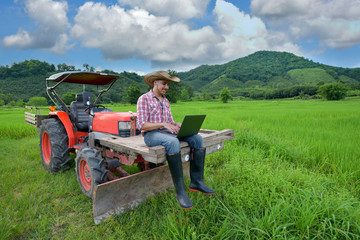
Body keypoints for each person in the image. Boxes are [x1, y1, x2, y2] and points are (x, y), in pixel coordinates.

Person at [136, 70, 215, 210]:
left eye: (168, 85)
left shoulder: (166, 101)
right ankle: (180, 193)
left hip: (167, 132)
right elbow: (141, 125)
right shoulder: (144, 99)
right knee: (173, 142)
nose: (166, 87)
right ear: (155, 82)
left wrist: (177, 125)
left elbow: (170, 122)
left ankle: (197, 182)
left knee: (196, 138)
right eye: (164, 84)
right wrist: (163, 124)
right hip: (152, 135)